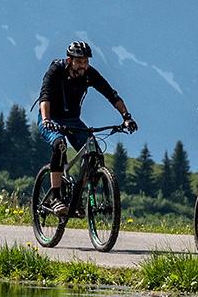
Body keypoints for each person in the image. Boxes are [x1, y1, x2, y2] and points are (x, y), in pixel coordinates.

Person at [38, 41, 137, 215]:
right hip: (51, 117)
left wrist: (126, 117)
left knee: (94, 156)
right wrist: (46, 119)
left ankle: (76, 198)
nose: (83, 65)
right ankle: (56, 197)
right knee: (59, 145)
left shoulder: (90, 74)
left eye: (86, 62)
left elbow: (111, 94)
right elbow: (45, 96)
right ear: (70, 61)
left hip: (73, 120)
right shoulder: (56, 71)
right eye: (79, 62)